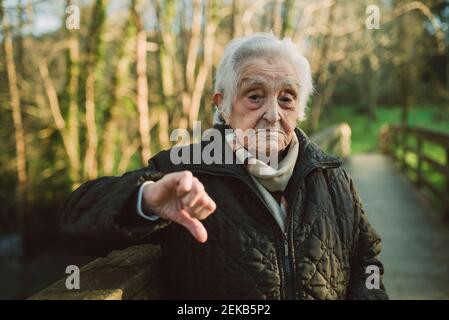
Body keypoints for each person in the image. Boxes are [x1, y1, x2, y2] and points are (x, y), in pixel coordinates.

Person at [59, 32, 388, 300]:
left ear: (299, 108)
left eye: (287, 98)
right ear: (224, 106)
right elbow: (75, 219)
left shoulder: (333, 177)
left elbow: (366, 259)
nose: (273, 113)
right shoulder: (183, 171)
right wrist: (145, 201)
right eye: (255, 96)